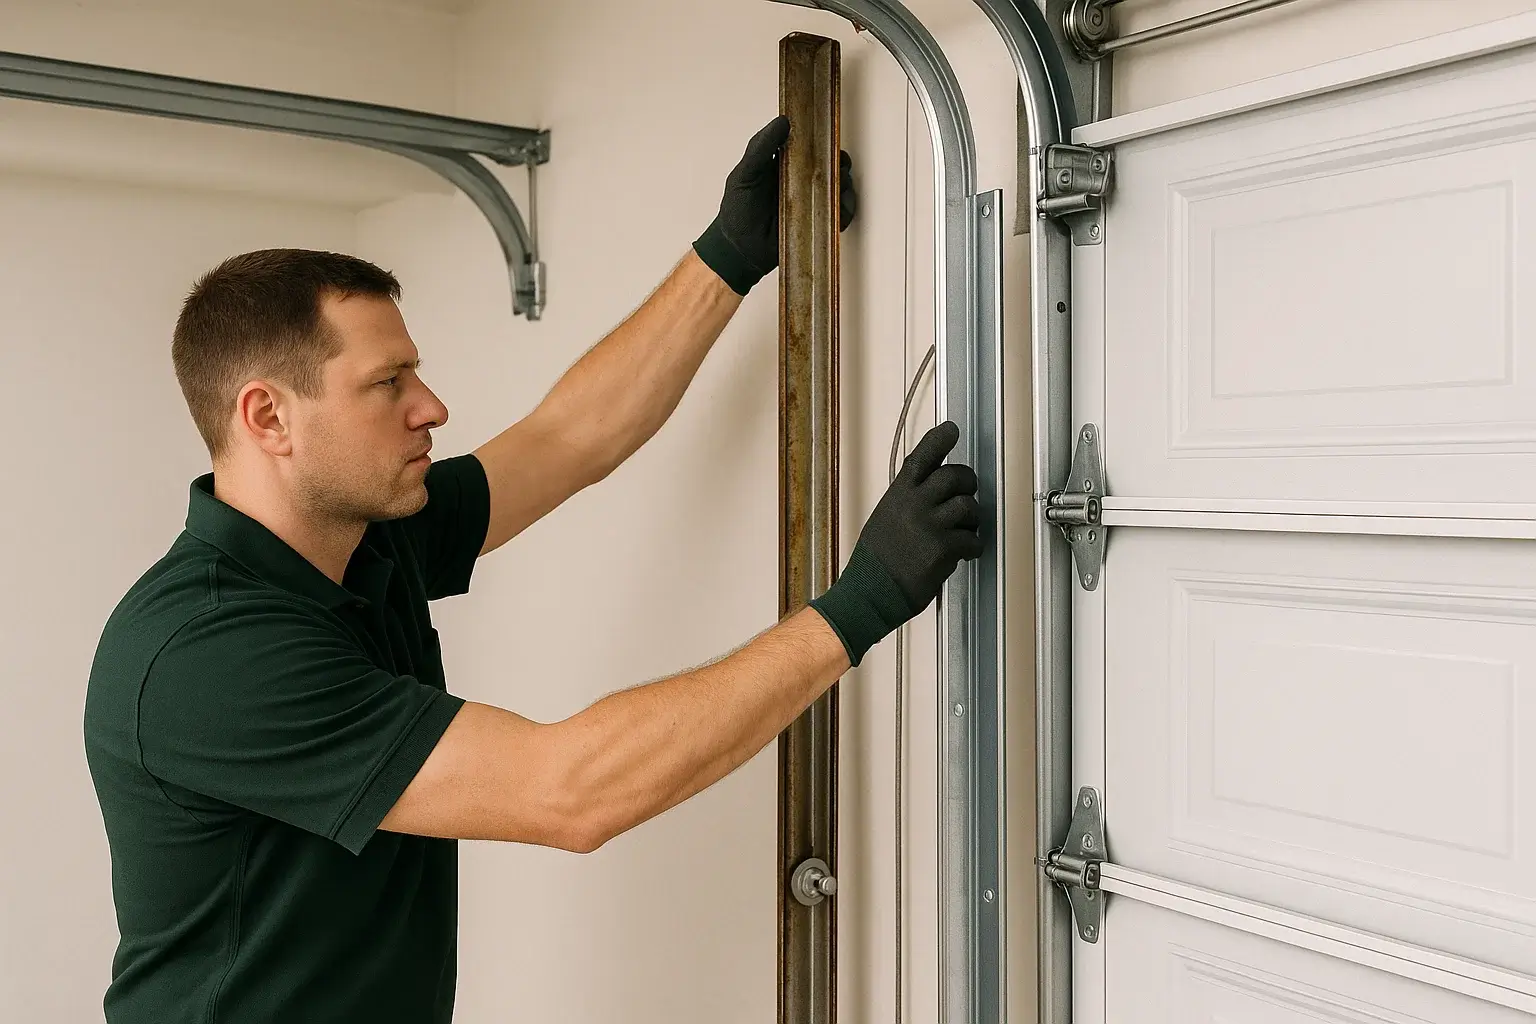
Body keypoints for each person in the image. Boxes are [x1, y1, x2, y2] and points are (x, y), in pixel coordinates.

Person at [83, 115, 982, 1023]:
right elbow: (569, 792)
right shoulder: (209, 655)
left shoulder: (360, 540)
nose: (430, 406)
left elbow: (568, 439)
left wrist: (729, 256)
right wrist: (862, 603)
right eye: (388, 382)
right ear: (268, 419)